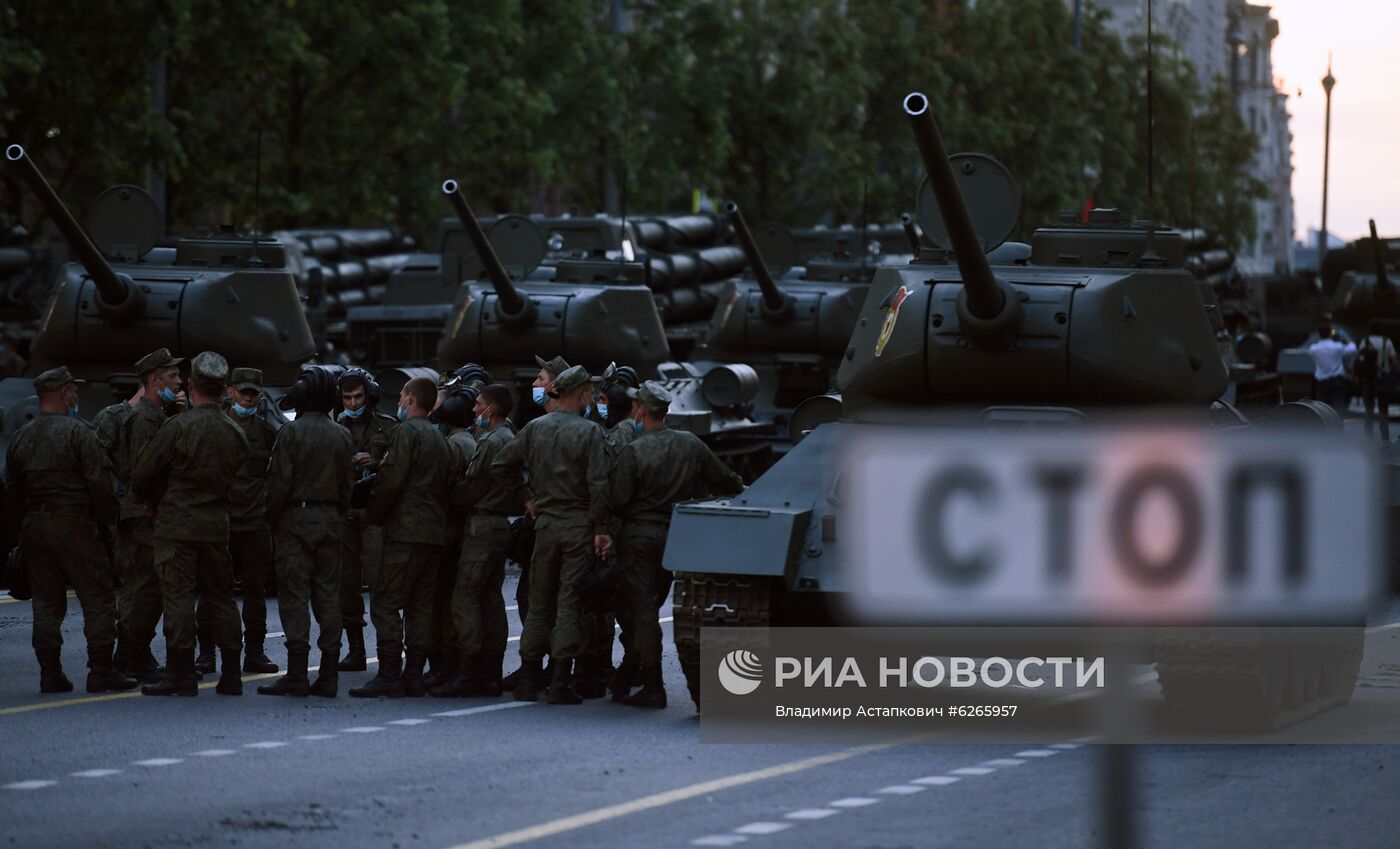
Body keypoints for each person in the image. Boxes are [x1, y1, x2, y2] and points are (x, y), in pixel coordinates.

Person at [609, 381, 744, 707]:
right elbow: (726, 481)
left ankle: (652, 684)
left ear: (640, 410)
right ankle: (629, 674)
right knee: (653, 605)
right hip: (676, 537)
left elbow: (616, 500)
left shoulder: (634, 451)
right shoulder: (690, 444)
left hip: (639, 538)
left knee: (642, 611)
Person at [3, 367, 136, 694]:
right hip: (75, 525)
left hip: (35, 527)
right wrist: (109, 523)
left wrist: (21, 532)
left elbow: (13, 491)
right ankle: (101, 670)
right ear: (64, 394)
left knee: (46, 603)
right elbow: (100, 485)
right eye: (73, 391)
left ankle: (51, 673)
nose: (76, 396)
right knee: (98, 597)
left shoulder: (22, 436)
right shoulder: (80, 433)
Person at [131, 351, 249, 697]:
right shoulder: (234, 433)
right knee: (222, 599)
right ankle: (231, 674)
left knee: (178, 599)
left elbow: (143, 473)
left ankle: (181, 673)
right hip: (216, 526)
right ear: (225, 388)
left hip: (177, 526)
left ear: (193, 384)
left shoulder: (178, 427)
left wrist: (155, 500)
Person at [493, 365, 611, 705]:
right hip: (578, 526)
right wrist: (601, 529)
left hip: (545, 524)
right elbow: (599, 486)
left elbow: (502, 466)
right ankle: (560, 680)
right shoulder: (590, 432)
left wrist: (527, 499)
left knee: (540, 602)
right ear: (583, 394)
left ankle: (529, 677)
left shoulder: (534, 427)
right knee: (569, 602)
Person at [350, 376, 453, 698]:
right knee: (420, 606)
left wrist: (371, 514)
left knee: (386, 602)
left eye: (402, 397)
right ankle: (413, 675)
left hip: (406, 530)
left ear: (409, 398)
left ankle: (390, 673)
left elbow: (392, 481)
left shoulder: (406, 432)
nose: (398, 403)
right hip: (433, 532)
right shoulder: (440, 439)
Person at [258, 368, 353, 697]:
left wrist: (271, 519)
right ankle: (328, 674)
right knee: (328, 596)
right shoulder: (342, 435)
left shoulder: (290, 433)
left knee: (295, 597)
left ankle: (297, 673)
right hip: (329, 521)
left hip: (295, 522)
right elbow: (346, 488)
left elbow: (278, 484)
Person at [433, 383, 523, 697]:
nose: (474, 409)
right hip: (497, 525)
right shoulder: (507, 437)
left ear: (491, 409)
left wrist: (447, 489)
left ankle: (469, 671)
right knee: (489, 599)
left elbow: (471, 488)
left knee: (464, 596)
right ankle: (490, 672)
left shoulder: (492, 441)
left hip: (482, 525)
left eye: (479, 404)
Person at [193, 368, 281, 675]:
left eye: (254, 393)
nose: (248, 397)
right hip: (221, 523)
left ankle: (254, 653)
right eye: (243, 391)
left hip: (255, 524)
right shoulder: (215, 426)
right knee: (212, 592)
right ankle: (206, 654)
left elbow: (276, 476)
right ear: (229, 391)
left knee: (256, 594)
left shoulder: (268, 432)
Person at [112, 348, 186, 682]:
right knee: (143, 587)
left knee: (151, 587)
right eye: (172, 376)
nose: (179, 381)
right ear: (155, 381)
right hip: (144, 514)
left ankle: (136, 653)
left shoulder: (157, 415)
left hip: (148, 513)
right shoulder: (145, 419)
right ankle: (129, 655)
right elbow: (143, 470)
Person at [335, 367, 397, 672]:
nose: (352, 403)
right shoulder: (336, 427)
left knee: (380, 585)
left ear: (369, 396)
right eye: (347, 398)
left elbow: (399, 470)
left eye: (358, 396)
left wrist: (377, 464)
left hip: (374, 517)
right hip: (345, 514)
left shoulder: (388, 427)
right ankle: (356, 650)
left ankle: (388, 654)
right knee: (346, 586)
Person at [425, 385, 479, 689]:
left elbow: (447, 488)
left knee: (444, 602)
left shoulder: (456, 445)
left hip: (450, 529)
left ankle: (448, 664)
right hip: (457, 529)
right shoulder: (464, 441)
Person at [1356, 322, 1399, 442]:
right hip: (1383, 380)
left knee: (1368, 408)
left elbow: (1359, 358)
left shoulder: (1365, 340)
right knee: (1383, 409)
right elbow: (1394, 362)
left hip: (1368, 379)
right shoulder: (1387, 341)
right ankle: (1385, 437)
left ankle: (1368, 435)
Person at [1308, 323, 1356, 417]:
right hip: (1337, 380)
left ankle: (1324, 428)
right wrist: (1347, 338)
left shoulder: (1313, 349)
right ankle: (1338, 428)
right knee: (1338, 406)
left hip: (1321, 381)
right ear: (1330, 334)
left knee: (1322, 408)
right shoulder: (1337, 346)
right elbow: (1352, 349)